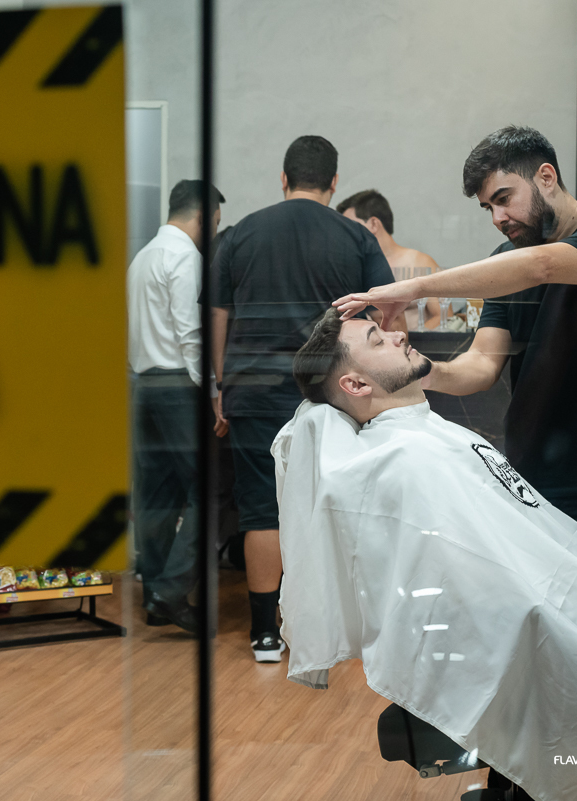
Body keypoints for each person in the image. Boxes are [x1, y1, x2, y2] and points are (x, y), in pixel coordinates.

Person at [277, 309, 577, 801]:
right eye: (377, 339)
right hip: (551, 619)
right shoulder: (405, 460)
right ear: (356, 384)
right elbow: (488, 589)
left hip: (575, 597)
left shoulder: (426, 437)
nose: (399, 333)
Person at [334, 125, 577, 561]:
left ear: (547, 177)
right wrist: (414, 370)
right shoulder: (503, 263)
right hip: (530, 480)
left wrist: (413, 289)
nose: (497, 219)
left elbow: (541, 266)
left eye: (504, 199)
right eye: (488, 207)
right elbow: (482, 365)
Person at [204, 135, 398, 661]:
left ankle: (266, 633)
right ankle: (336, 627)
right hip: (330, 395)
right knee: (334, 504)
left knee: (261, 510)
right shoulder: (354, 236)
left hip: (253, 391)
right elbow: (383, 312)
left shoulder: (239, 235)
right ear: (333, 183)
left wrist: (223, 385)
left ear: (283, 178)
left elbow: (217, 317)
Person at [127, 179, 223, 632]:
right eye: (215, 223)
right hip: (177, 388)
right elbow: (191, 334)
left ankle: (153, 591)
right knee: (210, 488)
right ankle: (171, 591)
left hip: (142, 385)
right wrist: (212, 393)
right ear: (202, 216)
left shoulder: (142, 257)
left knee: (156, 495)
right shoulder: (185, 256)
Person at [335, 189, 446, 330]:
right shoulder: (354, 266)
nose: (347, 234)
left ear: (374, 224)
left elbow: (444, 315)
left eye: (352, 226)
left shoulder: (419, 262)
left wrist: (404, 340)